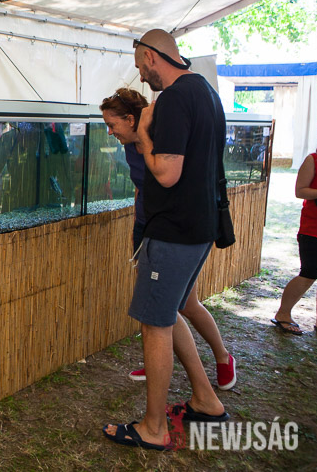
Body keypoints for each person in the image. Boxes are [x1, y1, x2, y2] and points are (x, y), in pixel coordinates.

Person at [103, 29, 229, 451]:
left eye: (141, 67)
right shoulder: (206, 92)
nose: (142, 77)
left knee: (155, 324)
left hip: (173, 230)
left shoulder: (173, 99)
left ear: (151, 56)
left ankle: (154, 428)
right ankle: (206, 399)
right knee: (170, 313)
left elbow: (167, 173)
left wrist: (144, 133)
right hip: (200, 227)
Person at [100, 88, 236, 389]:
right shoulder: (129, 146)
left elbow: (171, 180)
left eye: (112, 124)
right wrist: (139, 223)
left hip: (173, 233)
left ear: (131, 119)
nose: (110, 132)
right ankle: (157, 361)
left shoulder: (162, 141)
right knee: (160, 305)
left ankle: (223, 357)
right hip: (147, 228)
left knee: (182, 305)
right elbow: (141, 186)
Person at [271, 121, 317, 336]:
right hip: (313, 230)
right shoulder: (313, 160)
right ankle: (283, 313)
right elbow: (300, 191)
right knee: (309, 274)